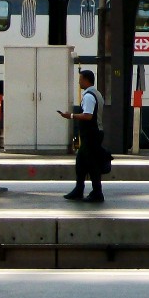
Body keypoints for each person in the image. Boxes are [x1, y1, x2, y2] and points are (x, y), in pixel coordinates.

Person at [59, 69, 105, 203]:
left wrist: (71, 116)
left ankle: (97, 192)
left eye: (80, 79)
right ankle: (79, 189)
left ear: (86, 80)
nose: (79, 82)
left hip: (91, 134)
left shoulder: (89, 96)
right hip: (93, 134)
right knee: (81, 163)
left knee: (92, 164)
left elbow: (88, 116)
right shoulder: (97, 93)